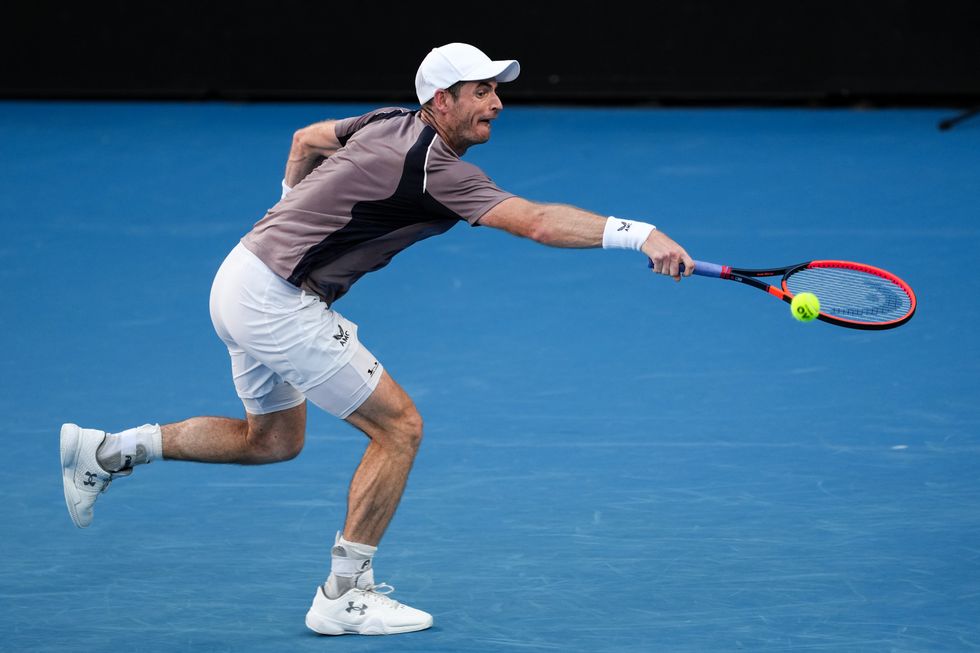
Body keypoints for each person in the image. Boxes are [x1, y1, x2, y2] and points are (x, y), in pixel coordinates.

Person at [59, 42, 694, 636]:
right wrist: (640, 233)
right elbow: (534, 221)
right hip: (276, 298)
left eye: (496, 90)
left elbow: (305, 139)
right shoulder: (434, 168)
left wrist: (288, 208)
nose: (497, 103)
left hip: (238, 275)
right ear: (441, 101)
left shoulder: (387, 119)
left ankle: (109, 451)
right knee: (399, 428)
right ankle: (343, 596)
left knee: (273, 440)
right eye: (481, 91)